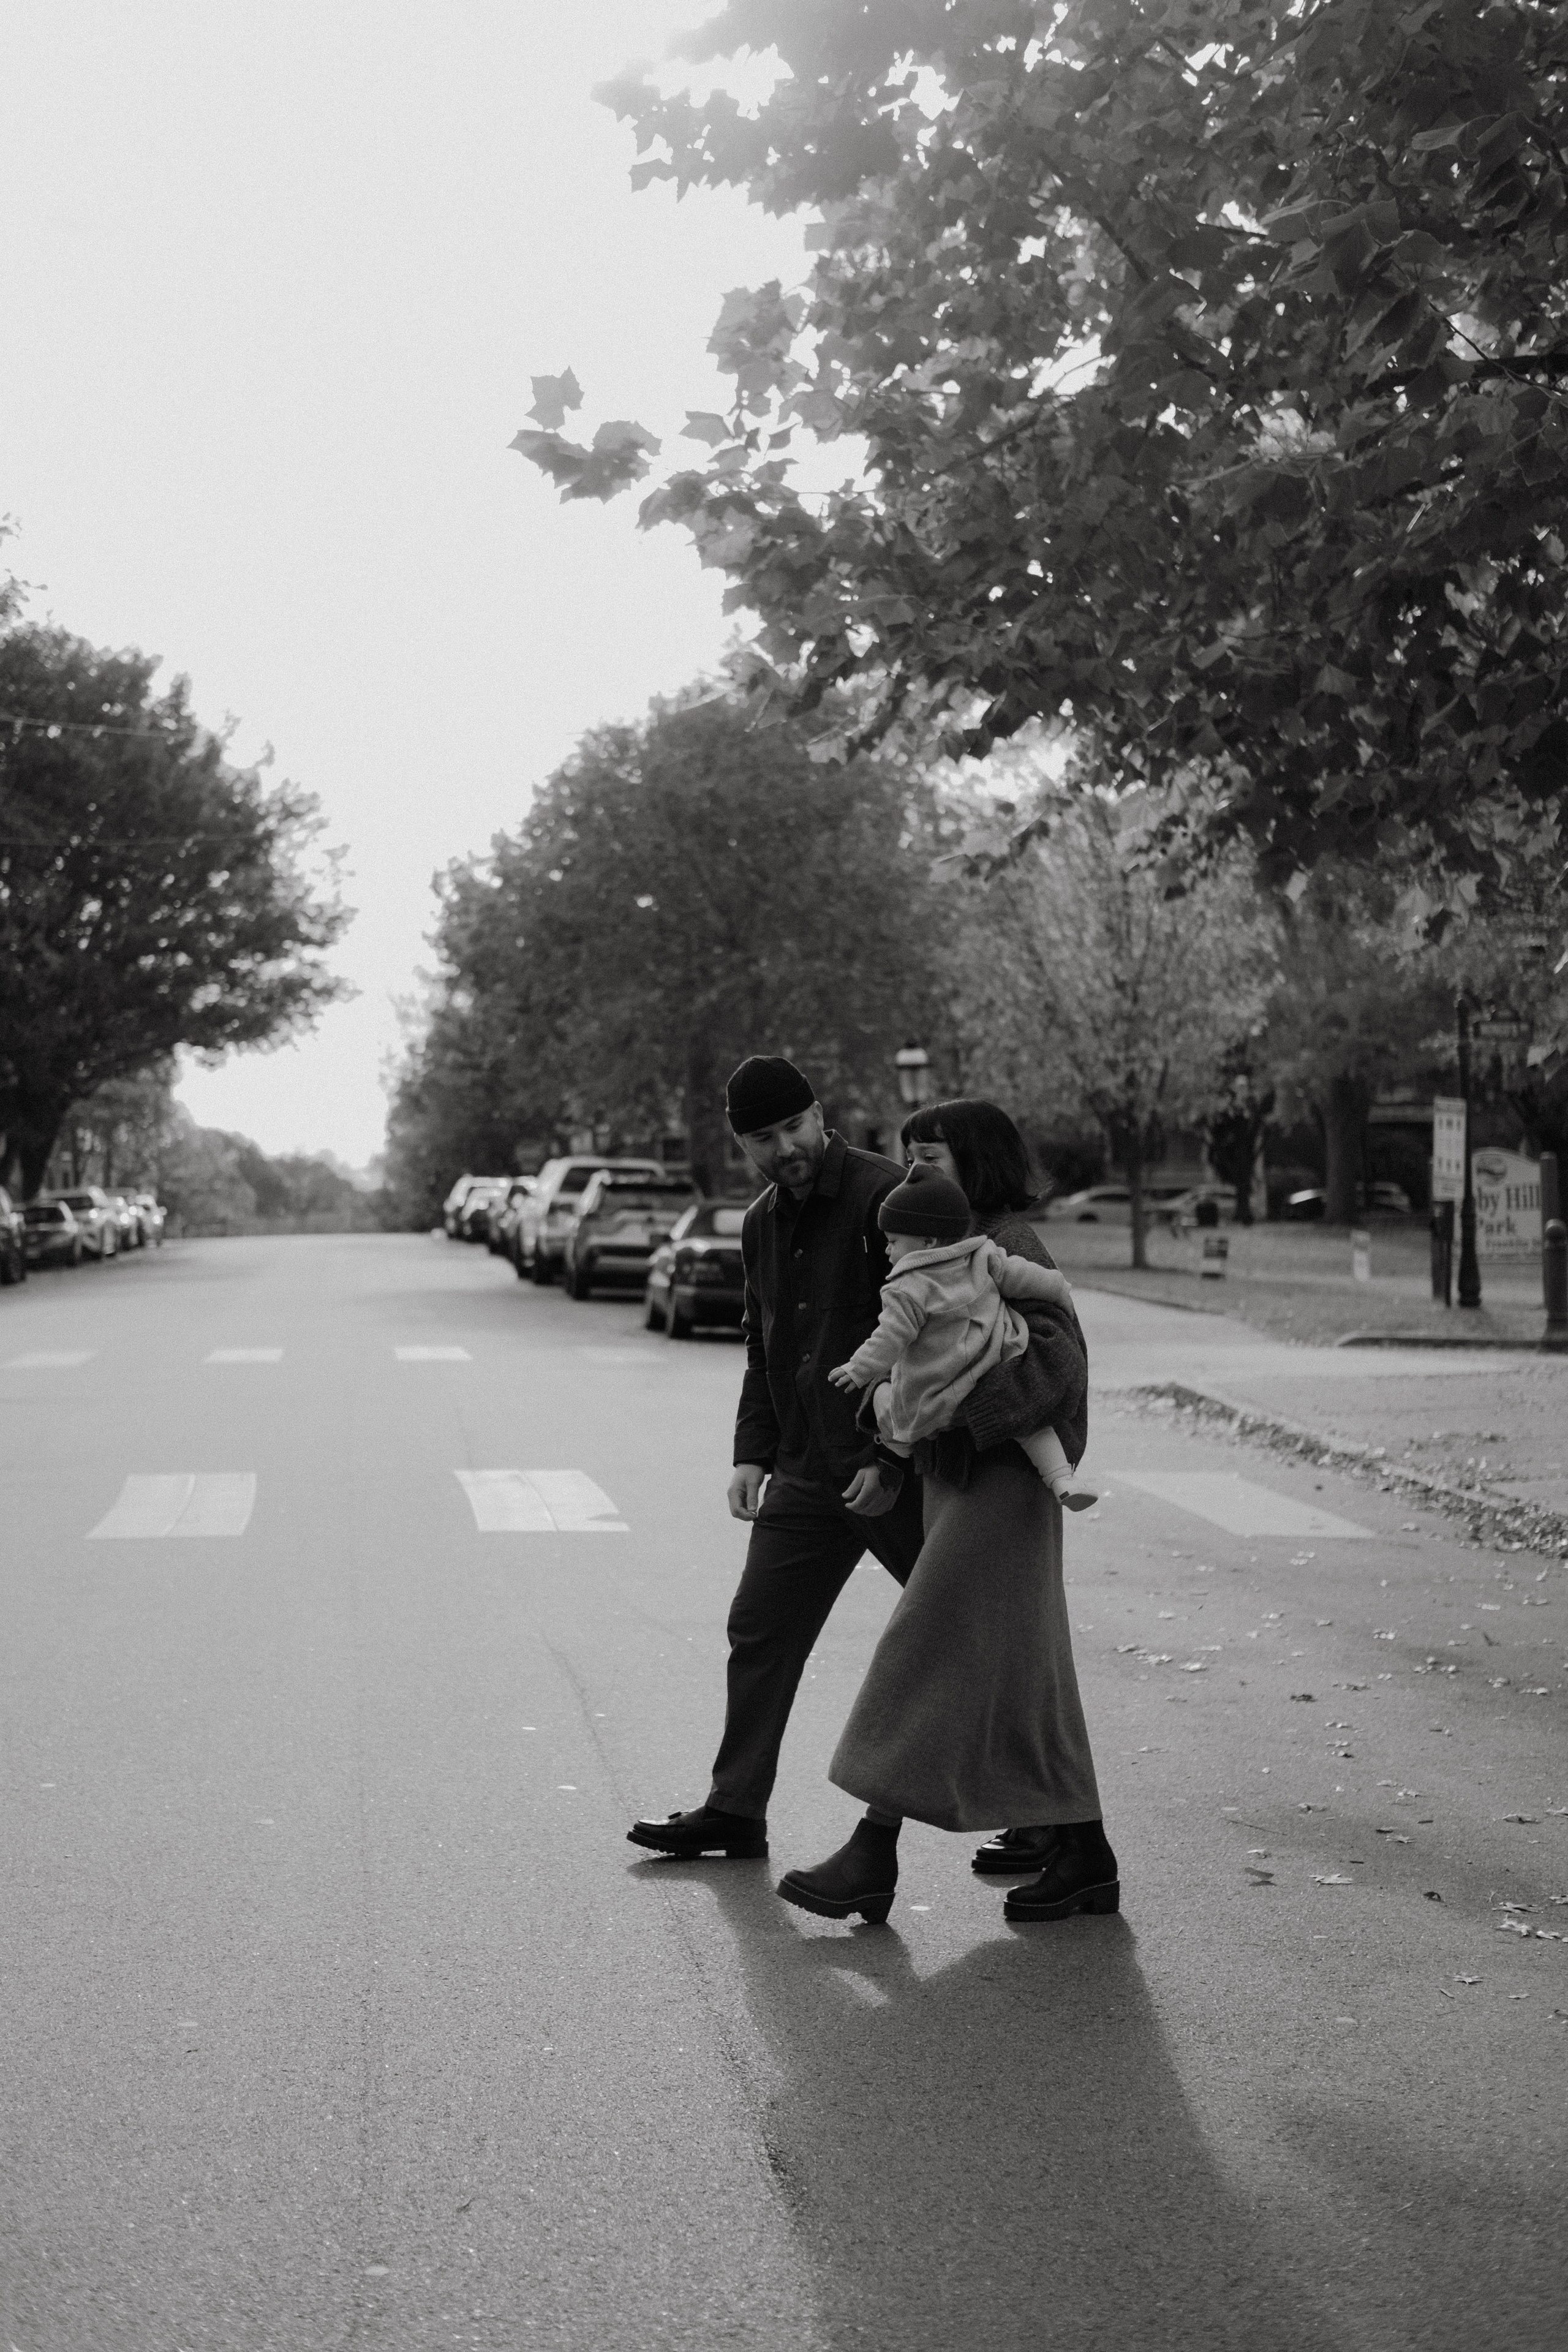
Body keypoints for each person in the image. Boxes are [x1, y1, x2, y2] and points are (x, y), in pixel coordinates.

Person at [775, 1098, 1118, 1928]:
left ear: (978, 1162)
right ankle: (1080, 1850)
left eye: (930, 1158)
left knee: (926, 1648)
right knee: (1024, 1669)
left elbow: (1062, 1364)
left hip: (1001, 1482)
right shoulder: (939, 1243)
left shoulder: (1004, 1244)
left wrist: (958, 1417)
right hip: (957, 1477)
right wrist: (898, 1444)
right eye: (909, 1158)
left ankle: (872, 1851)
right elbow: (917, 1360)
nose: (913, 1173)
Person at [627, 1054, 926, 1860]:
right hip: (805, 1470)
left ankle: (1055, 1826)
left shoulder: (886, 1197)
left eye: (795, 1127)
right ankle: (735, 1810)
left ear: (820, 1114)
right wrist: (750, 1453)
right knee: (759, 1628)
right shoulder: (759, 1221)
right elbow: (765, 1345)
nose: (785, 1148)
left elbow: (931, 1337)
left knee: (966, 1628)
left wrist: (891, 1458)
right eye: (764, 1138)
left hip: (894, 1470)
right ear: (742, 1145)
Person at [827, 1159, 1097, 1510]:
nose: (887, 1250)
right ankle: (1061, 1479)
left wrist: (858, 1369)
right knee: (1033, 1432)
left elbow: (890, 1337)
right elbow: (1025, 1277)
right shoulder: (983, 1255)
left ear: (928, 1241)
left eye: (893, 1242)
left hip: (942, 1375)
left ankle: (896, 1451)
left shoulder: (907, 1288)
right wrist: (1060, 1289)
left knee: (907, 1412)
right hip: (992, 1357)